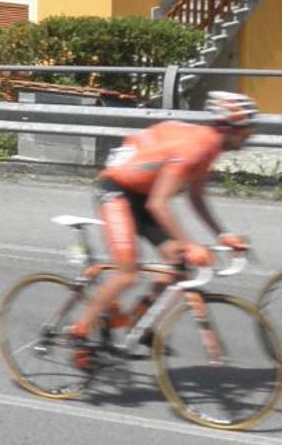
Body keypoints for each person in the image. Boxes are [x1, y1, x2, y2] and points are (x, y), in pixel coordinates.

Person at [69, 92, 257, 360]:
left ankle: (139, 319)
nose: (249, 137)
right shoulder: (198, 147)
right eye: (246, 130)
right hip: (117, 190)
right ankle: (79, 331)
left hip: (143, 194)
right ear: (227, 128)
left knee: (179, 264)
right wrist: (191, 244)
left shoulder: (210, 146)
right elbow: (159, 204)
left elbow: (196, 196)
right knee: (128, 273)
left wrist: (222, 235)